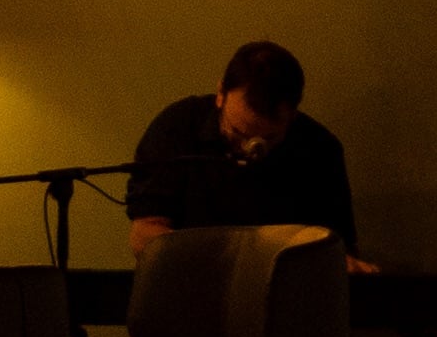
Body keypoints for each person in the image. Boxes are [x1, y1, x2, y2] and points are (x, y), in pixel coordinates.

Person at [127, 38, 357, 268]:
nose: (248, 148)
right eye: (236, 132)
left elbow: (335, 248)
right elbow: (144, 235)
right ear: (220, 94)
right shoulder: (178, 127)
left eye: (267, 139)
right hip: (187, 286)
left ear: (292, 116)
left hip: (284, 293)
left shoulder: (319, 149)